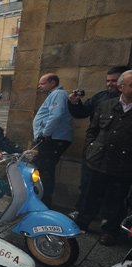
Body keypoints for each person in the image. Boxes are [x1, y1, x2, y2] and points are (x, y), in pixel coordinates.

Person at [75, 70, 132, 246]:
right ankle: (82, 222)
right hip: (98, 161)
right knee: (90, 195)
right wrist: (90, 150)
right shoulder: (105, 105)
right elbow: (92, 130)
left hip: (123, 165)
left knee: (116, 200)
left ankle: (110, 231)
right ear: (121, 87)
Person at [66, 66, 128, 218]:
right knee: (88, 187)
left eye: (114, 81)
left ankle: (107, 222)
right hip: (96, 155)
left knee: (114, 194)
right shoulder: (101, 98)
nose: (110, 84)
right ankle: (82, 215)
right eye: (108, 81)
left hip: (121, 160)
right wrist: (74, 103)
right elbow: (84, 116)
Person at [32, 73, 73, 207]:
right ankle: (42, 199)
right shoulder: (54, 94)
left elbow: (56, 116)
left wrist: (45, 133)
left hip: (52, 138)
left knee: (45, 171)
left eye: (42, 83)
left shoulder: (58, 94)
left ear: (52, 83)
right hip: (52, 138)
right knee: (44, 169)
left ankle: (43, 201)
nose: (40, 86)